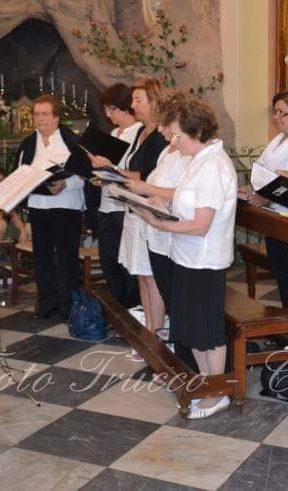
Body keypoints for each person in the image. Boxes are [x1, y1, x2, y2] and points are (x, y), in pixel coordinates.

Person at [138, 96, 237, 419]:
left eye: (177, 135)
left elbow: (201, 224)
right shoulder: (197, 160)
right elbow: (187, 207)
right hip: (187, 256)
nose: (172, 140)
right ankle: (206, 385)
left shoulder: (213, 165)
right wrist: (162, 208)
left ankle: (217, 391)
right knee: (192, 327)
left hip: (205, 259)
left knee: (207, 330)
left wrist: (159, 223)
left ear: (196, 132)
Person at [124, 93, 194, 371]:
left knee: (172, 295)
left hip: (175, 234)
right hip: (156, 231)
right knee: (158, 286)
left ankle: (176, 351)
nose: (164, 133)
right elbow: (156, 184)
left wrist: (148, 191)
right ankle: (158, 342)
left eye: (168, 127)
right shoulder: (167, 152)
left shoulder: (191, 156)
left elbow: (183, 193)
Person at [240, 90, 288, 338]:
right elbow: (267, 175)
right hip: (276, 215)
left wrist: (263, 196)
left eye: (282, 113)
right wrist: (253, 192)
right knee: (284, 279)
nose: (277, 118)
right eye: (275, 112)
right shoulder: (281, 139)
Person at [106, 78, 169, 355]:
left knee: (151, 276)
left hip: (149, 210)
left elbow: (148, 176)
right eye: (132, 100)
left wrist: (112, 172)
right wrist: (111, 172)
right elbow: (133, 170)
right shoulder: (142, 132)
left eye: (138, 100)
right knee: (141, 274)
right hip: (134, 209)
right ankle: (149, 330)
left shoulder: (159, 137)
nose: (133, 106)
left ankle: (156, 334)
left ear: (154, 102)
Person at [15, 95, 88, 321]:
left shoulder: (71, 142)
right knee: (42, 257)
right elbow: (20, 174)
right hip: (39, 205)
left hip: (67, 205)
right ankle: (46, 304)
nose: (40, 119)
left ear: (57, 117)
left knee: (67, 258)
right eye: (36, 114)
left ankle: (68, 306)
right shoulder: (28, 144)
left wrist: (66, 182)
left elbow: (85, 175)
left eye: (45, 114)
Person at [93, 84, 142, 309]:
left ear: (125, 107)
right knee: (109, 261)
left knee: (128, 263)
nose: (107, 114)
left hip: (125, 206)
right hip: (106, 204)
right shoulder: (114, 133)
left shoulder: (140, 132)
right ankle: (119, 310)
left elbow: (135, 171)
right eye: (105, 109)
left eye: (110, 109)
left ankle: (132, 310)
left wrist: (109, 167)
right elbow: (110, 171)